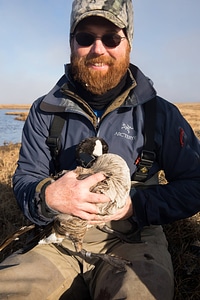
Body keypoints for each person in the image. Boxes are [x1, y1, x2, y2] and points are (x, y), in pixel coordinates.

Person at [0, 0, 200, 299]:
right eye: (85, 37)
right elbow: (27, 176)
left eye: (111, 38)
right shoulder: (44, 111)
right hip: (61, 238)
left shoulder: (160, 114)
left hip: (133, 239)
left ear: (128, 43)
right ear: (72, 43)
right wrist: (48, 196)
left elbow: (195, 184)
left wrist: (135, 206)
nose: (98, 48)